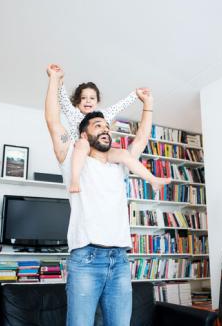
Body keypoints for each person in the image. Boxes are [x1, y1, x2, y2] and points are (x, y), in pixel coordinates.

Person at [45, 63, 157, 325]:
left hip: (120, 260)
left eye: (107, 126)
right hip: (86, 259)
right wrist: (54, 79)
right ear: (84, 134)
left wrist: (147, 105)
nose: (105, 129)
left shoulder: (120, 163)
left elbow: (140, 140)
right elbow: (53, 122)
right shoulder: (73, 158)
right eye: (98, 125)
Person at [55, 68, 170, 193]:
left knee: (123, 154)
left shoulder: (103, 115)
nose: (88, 100)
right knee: (82, 144)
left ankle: (152, 180)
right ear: (77, 102)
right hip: (82, 151)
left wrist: (135, 94)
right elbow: (63, 100)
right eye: (83, 98)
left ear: (97, 102)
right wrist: (59, 81)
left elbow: (119, 105)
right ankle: (75, 180)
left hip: (100, 151)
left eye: (92, 98)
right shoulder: (73, 114)